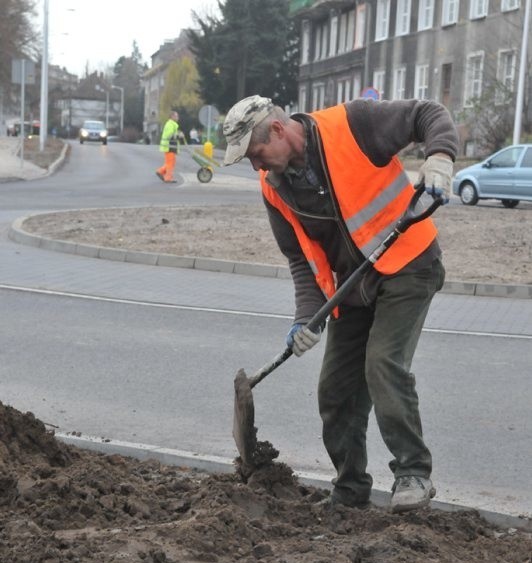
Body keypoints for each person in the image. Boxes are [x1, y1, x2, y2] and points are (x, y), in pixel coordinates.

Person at [223, 95, 458, 512]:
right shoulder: (274, 188)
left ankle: (413, 473)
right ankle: (350, 491)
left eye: (257, 154)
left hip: (408, 263)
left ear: (278, 130)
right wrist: (304, 319)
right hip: (354, 287)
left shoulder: (354, 124)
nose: (257, 167)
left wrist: (439, 156)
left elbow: (428, 114)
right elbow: (300, 257)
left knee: (382, 364)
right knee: (335, 390)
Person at [156, 109, 183, 183]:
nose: (178, 117)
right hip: (169, 146)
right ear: (172, 116)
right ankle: (168, 178)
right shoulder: (170, 124)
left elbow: (171, 135)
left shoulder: (172, 124)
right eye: (176, 116)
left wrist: (178, 134)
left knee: (171, 162)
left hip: (170, 146)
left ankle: (160, 171)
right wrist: (178, 135)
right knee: (170, 163)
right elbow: (170, 135)